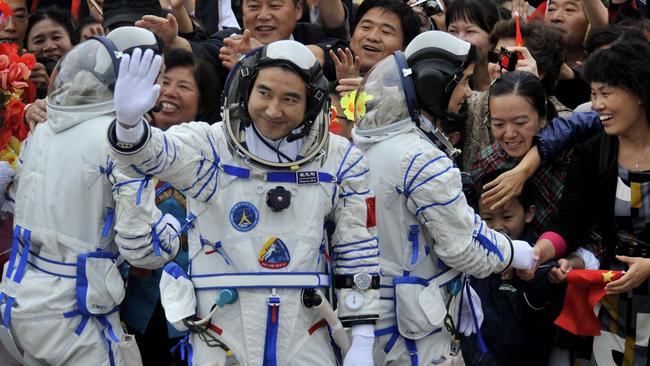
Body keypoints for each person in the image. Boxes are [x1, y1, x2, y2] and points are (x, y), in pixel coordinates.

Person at [107, 40, 380, 366]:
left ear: (310, 104)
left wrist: (362, 336)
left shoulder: (339, 159)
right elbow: (151, 156)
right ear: (247, 89)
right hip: (222, 331)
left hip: (307, 331)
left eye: (290, 99)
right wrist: (129, 126)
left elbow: (357, 250)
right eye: (264, 93)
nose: (274, 110)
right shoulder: (211, 146)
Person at [351, 30, 535, 365]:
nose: (467, 92)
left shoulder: (380, 144)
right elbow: (464, 248)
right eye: (463, 82)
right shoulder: (420, 158)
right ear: (436, 85)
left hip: (377, 324)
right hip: (411, 337)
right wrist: (518, 253)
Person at [0, 27, 181, 365]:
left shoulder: (45, 125)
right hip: (75, 319)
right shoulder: (120, 142)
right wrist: (173, 227)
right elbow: (143, 248)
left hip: (16, 301)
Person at [525, 37, 650, 365]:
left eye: (606, 93)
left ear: (638, 92)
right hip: (611, 303)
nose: (596, 105)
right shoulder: (593, 153)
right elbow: (569, 223)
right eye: (593, 94)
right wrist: (542, 251)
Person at [119, 48, 218, 366]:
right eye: (163, 82)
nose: (170, 92)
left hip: (197, 307)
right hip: (136, 303)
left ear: (202, 101)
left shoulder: (215, 155)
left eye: (185, 86)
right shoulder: (121, 147)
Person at [24, 6, 77, 98]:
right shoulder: (17, 85)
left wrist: (50, 89)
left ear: (72, 42)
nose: (49, 47)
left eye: (56, 37)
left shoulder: (88, 76)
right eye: (39, 41)